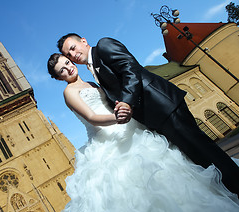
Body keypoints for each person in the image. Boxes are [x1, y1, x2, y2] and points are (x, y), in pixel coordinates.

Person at [47, 53, 239, 212]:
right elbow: (92, 117)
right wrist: (117, 117)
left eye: (67, 62)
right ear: (58, 77)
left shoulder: (90, 83)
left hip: (128, 126)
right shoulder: (69, 92)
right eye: (61, 70)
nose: (68, 68)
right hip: (107, 138)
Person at [57, 33, 239, 196]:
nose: (73, 55)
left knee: (204, 151)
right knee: (197, 157)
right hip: (153, 116)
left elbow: (130, 69)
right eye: (68, 55)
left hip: (162, 106)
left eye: (72, 48)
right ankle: (230, 190)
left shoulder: (103, 46)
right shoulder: (92, 67)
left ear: (83, 41)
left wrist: (126, 102)